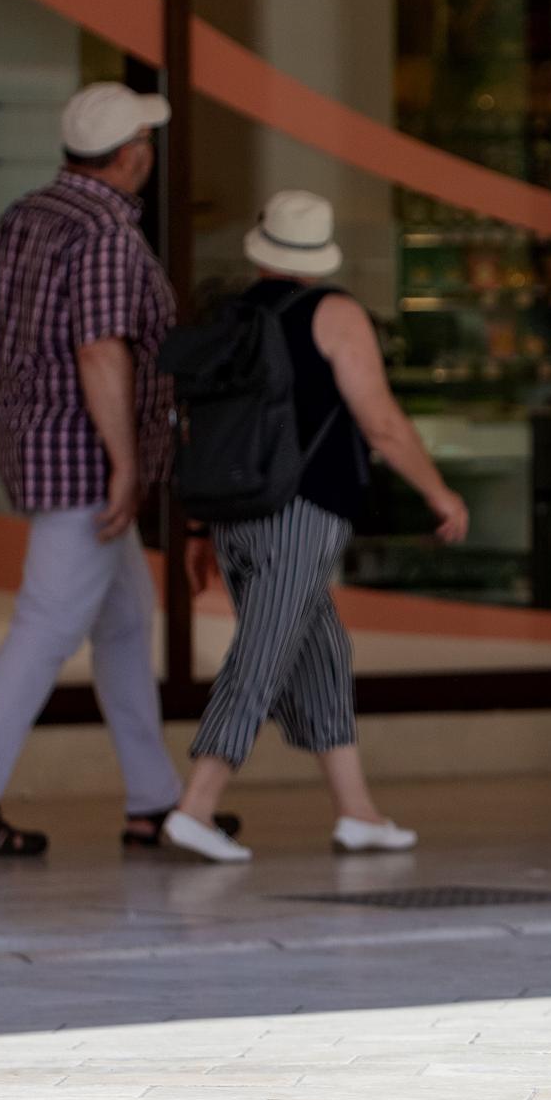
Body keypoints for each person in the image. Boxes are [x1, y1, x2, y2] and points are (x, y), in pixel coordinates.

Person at [166, 190, 469, 864]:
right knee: (264, 653)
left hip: (233, 512)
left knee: (321, 655)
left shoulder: (234, 315)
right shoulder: (333, 314)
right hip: (298, 514)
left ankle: (356, 812)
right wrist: (438, 492)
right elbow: (381, 423)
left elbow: (202, 427)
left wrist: (194, 530)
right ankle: (196, 806)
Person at [0, 82, 226, 857]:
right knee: (45, 629)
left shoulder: (29, 213)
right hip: (85, 463)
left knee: (125, 624)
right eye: (145, 145)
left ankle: (152, 800)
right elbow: (100, 349)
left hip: (39, 445)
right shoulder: (104, 232)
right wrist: (126, 467)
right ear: (130, 157)